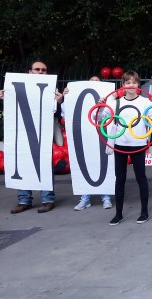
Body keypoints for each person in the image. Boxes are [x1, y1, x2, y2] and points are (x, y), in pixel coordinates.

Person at [0, 60, 63, 214]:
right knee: (22, 163)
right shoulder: (17, 86)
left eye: (43, 70)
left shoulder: (52, 88)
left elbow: (58, 113)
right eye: (37, 69)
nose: (40, 72)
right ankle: (23, 200)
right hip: (22, 133)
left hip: (43, 133)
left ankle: (48, 200)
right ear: (30, 72)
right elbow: (11, 107)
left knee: (44, 165)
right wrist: (0, 97)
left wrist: (60, 101)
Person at [100, 70, 152, 225]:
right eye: (128, 82)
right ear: (123, 85)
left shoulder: (145, 102)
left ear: (138, 84)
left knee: (141, 178)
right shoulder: (116, 102)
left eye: (134, 82)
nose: (131, 85)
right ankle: (118, 214)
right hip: (120, 144)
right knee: (119, 180)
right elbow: (102, 118)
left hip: (138, 145)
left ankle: (144, 212)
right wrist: (102, 105)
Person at [64, 76, 113, 211]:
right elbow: (65, 114)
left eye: (97, 81)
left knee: (104, 163)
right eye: (92, 81)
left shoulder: (108, 98)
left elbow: (109, 116)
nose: (95, 84)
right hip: (83, 134)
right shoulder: (78, 97)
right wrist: (67, 98)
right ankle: (85, 198)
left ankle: (106, 197)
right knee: (84, 164)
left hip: (101, 133)